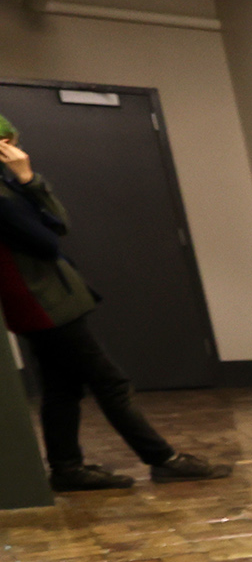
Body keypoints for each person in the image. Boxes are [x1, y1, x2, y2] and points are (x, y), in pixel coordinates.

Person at [1, 117, 228, 490]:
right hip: (45, 302)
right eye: (7, 144)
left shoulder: (7, 189)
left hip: (42, 303)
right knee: (111, 383)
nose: (15, 152)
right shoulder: (5, 194)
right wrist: (28, 179)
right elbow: (50, 237)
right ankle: (162, 459)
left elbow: (55, 226)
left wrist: (26, 183)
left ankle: (66, 468)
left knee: (62, 387)